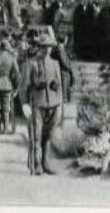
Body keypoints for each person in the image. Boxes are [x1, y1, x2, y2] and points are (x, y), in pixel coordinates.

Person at [22, 34, 63, 175]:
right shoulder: (32, 63)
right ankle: (37, 163)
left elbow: (60, 85)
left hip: (53, 103)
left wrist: (59, 100)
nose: (47, 50)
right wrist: (25, 103)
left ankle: (46, 162)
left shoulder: (55, 63)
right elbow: (25, 85)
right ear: (40, 48)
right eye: (44, 47)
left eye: (49, 48)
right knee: (37, 135)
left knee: (49, 135)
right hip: (38, 103)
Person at [0, 40, 20, 134]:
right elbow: (17, 74)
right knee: (6, 108)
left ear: (0, 48)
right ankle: (6, 128)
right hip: (7, 84)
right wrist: (16, 86)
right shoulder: (12, 58)